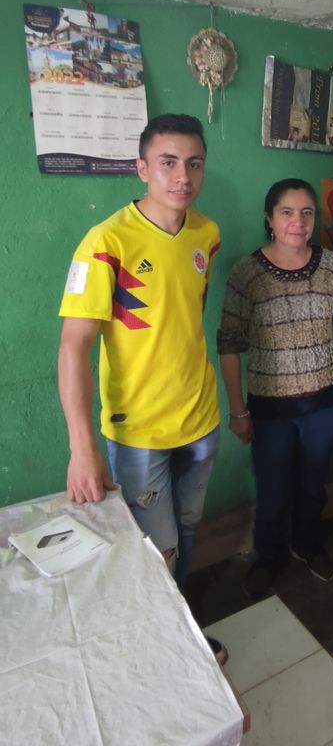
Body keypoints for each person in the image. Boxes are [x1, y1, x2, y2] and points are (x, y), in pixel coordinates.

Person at [57, 115, 225, 661]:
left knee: (190, 528)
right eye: (168, 163)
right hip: (139, 434)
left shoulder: (207, 234)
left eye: (194, 164)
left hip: (201, 420)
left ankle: (181, 626)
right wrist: (82, 450)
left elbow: (187, 320)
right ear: (142, 169)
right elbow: (72, 348)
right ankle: (163, 650)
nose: (183, 176)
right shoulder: (104, 242)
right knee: (159, 547)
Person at [217, 178, 333, 598]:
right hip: (271, 409)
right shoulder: (247, 273)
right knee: (274, 487)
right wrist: (238, 409)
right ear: (270, 218)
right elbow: (229, 345)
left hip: (326, 401)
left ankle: (308, 544)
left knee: (313, 484)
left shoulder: (331, 264)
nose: (298, 222)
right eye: (287, 212)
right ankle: (270, 554)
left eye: (307, 213)